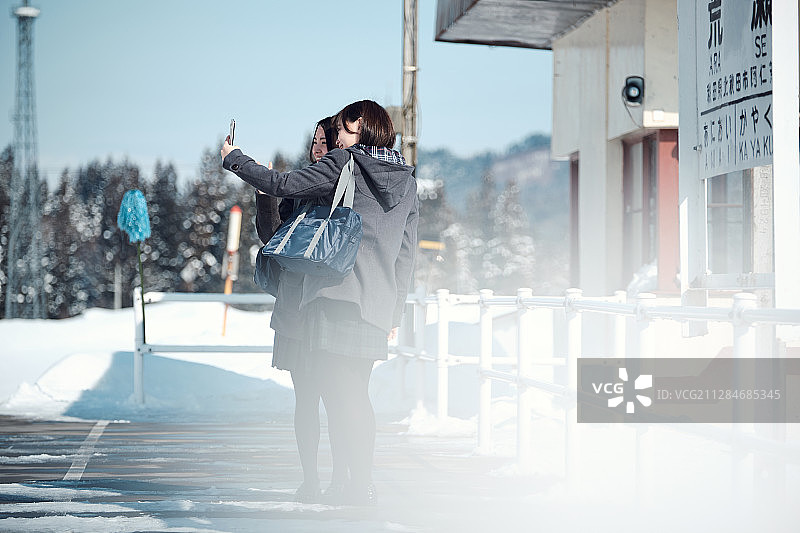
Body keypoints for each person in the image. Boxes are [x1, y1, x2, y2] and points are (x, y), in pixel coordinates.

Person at [222, 100, 418, 505]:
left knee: (338, 396)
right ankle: (359, 484)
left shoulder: (346, 163)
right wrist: (394, 310)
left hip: (334, 297)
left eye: (343, 129)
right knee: (355, 396)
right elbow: (406, 254)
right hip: (375, 304)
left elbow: (283, 184)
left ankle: (354, 486)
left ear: (362, 127)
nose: (336, 138)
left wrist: (235, 158)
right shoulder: (407, 180)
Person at [253, 117, 344, 503]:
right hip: (294, 305)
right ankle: (311, 480)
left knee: (337, 399)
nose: (319, 148)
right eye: (315, 141)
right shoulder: (297, 188)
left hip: (328, 306)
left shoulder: (344, 186)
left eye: (326, 141)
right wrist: (265, 194)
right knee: (305, 399)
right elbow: (271, 237)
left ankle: (341, 479)